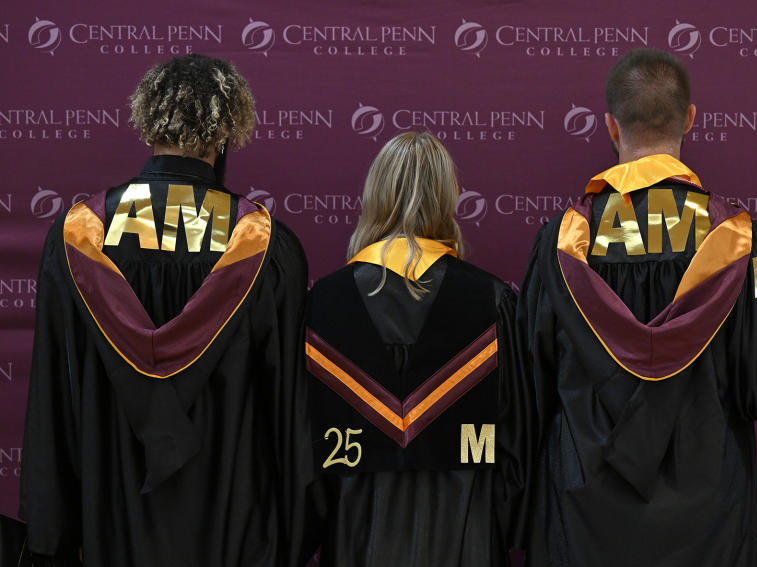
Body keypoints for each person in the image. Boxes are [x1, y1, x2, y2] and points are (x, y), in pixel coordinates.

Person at [517, 49, 757, 566]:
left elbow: (528, 397)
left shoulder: (561, 242)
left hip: (583, 519)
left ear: (610, 125)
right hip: (708, 524)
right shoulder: (735, 238)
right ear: (691, 118)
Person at [20, 54, 313, 567]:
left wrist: (51, 541)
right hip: (233, 530)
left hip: (112, 527)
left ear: (148, 121)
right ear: (226, 130)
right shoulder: (267, 248)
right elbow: (287, 417)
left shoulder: (79, 237)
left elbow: (54, 406)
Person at [303, 132, 533, 566]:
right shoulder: (489, 300)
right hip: (465, 529)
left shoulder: (324, 303)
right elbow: (515, 438)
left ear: (375, 195)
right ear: (447, 197)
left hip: (356, 528)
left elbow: (301, 446)